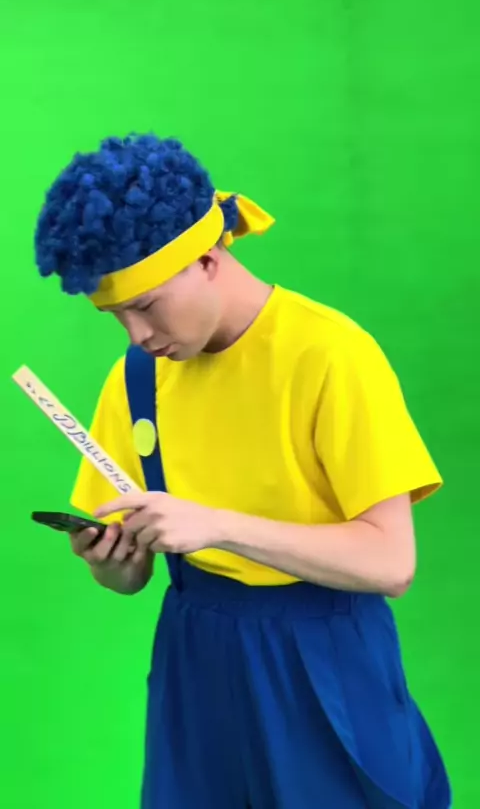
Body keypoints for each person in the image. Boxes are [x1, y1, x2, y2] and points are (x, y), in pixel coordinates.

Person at [34, 134, 451, 809]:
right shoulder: (135, 381)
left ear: (207, 259)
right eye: (116, 316)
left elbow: (391, 562)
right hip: (195, 653)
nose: (137, 335)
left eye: (146, 305)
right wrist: (113, 561)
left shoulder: (330, 355)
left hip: (324, 652)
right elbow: (129, 580)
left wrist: (217, 526)